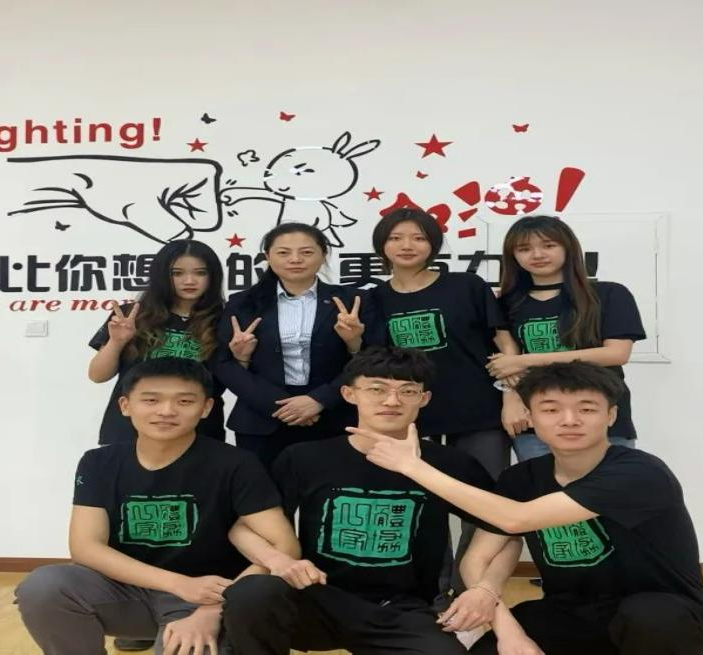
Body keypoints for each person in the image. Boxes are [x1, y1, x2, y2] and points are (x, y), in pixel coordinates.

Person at [364, 362, 703, 655]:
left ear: (612, 415)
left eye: (586, 409)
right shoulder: (522, 479)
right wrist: (507, 631)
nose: (569, 420)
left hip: (668, 611)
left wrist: (412, 466)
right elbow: (477, 559)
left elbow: (516, 518)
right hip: (573, 610)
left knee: (650, 619)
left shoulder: (640, 472)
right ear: (531, 417)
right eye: (551, 409)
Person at [221, 346, 495, 654]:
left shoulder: (450, 463)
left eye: (407, 391)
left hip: (400, 608)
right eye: (377, 389)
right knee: (252, 593)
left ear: (424, 398)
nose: (392, 401)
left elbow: (501, 524)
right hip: (316, 597)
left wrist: (482, 588)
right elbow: (243, 527)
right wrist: (278, 560)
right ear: (349, 394)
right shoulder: (304, 458)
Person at [14, 358, 296, 654]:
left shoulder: (236, 464)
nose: (166, 411)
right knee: (44, 586)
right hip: (125, 591)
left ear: (206, 408)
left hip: (204, 598)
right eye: (151, 400)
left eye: (184, 401)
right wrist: (178, 583)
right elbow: (85, 547)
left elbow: (285, 546)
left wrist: (216, 607)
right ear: (125, 405)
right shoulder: (98, 462)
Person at [368, 207, 520, 590]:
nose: (407, 245)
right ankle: (431, 591)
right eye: (396, 238)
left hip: (478, 411)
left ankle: (471, 592)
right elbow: (372, 360)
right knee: (422, 503)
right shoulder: (374, 298)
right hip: (410, 416)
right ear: (382, 246)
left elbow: (504, 344)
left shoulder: (466, 286)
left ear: (433, 245)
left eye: (418, 237)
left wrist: (512, 396)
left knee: (484, 500)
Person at [215, 223, 381, 468]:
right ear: (267, 256)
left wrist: (321, 399)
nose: (295, 259)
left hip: (333, 417)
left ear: (323, 255)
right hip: (262, 421)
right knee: (261, 490)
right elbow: (223, 363)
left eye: (306, 252)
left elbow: (376, 359)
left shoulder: (353, 300)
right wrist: (280, 405)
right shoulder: (243, 303)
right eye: (283, 252)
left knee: (330, 489)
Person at [487, 215, 645, 460]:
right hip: (536, 419)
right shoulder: (506, 303)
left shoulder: (608, 294)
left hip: (599, 415)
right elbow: (506, 361)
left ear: (567, 248)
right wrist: (511, 400)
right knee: (543, 484)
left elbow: (616, 354)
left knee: (610, 483)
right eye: (524, 249)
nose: (537, 255)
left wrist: (525, 360)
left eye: (548, 245)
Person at [88, 239, 228, 444]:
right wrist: (116, 342)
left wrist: (242, 356)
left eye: (200, 273)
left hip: (198, 430)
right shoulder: (132, 315)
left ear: (213, 276)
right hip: (132, 429)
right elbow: (97, 376)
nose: (189, 280)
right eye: (177, 273)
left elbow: (225, 382)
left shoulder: (226, 319)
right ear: (162, 275)